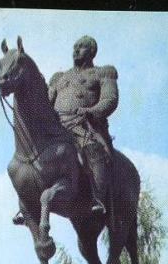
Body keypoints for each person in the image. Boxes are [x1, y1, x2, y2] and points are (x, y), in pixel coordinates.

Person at [48, 35, 119, 218]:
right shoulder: (59, 78)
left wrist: (90, 111)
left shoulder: (102, 73)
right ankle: (28, 198)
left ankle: (98, 198)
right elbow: (47, 102)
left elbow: (109, 99)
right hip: (57, 127)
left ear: (92, 52)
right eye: (75, 46)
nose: (76, 50)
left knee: (93, 148)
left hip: (84, 125)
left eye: (81, 47)